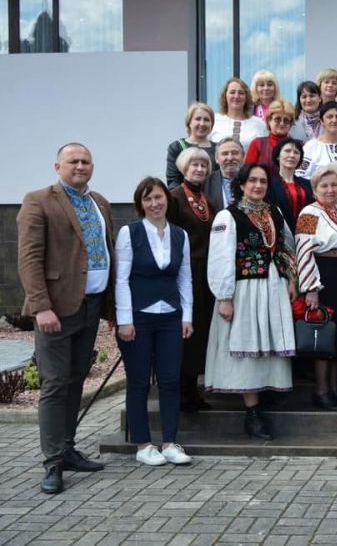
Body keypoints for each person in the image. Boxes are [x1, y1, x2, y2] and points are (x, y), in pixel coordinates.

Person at [17, 143, 112, 494]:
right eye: (73, 161)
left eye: (86, 161)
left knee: (75, 380)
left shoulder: (99, 202)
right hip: (57, 307)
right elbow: (29, 258)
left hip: (91, 305)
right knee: (55, 383)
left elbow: (107, 250)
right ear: (57, 165)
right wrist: (41, 306)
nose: (81, 166)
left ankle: (68, 449)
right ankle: (53, 462)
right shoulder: (38, 200)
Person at [205, 164, 296, 440]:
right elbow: (220, 257)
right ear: (241, 184)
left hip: (274, 287)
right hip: (244, 289)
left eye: (263, 181)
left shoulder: (274, 212)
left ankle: (266, 395)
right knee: (247, 343)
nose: (258, 185)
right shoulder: (228, 216)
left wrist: (291, 278)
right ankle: (252, 412)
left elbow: (287, 246)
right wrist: (224, 296)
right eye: (252, 181)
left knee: (267, 342)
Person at [115, 177, 193, 466]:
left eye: (158, 197)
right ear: (140, 204)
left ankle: (170, 442)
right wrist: (125, 319)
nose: (154, 203)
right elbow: (121, 279)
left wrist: (187, 316)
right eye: (148, 199)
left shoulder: (179, 235)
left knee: (171, 381)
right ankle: (143, 444)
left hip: (171, 317)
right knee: (138, 382)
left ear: (167, 200)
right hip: (138, 319)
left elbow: (185, 277)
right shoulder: (129, 232)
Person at [295, 168, 337, 411]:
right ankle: (321, 391)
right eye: (324, 186)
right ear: (314, 190)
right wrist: (311, 288)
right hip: (325, 277)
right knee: (325, 335)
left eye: (334, 185)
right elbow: (303, 250)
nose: (330, 189)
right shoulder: (309, 213)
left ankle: (334, 388)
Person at [168, 147, 217, 412]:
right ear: (184, 168)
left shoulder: (206, 201)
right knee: (184, 331)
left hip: (205, 272)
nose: (199, 169)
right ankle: (179, 391)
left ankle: (192, 389)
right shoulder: (174, 198)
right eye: (194, 165)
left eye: (203, 165)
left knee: (199, 332)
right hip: (185, 271)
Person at [265, 137, 314, 231]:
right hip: (280, 234)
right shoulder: (269, 184)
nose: (292, 155)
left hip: (306, 235)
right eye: (287, 151)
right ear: (278, 156)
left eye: (296, 152)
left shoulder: (308, 184)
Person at [166, 102, 217, 188]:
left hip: (214, 200)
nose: (202, 123)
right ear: (189, 122)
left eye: (207, 120)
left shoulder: (218, 149)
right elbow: (173, 182)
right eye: (198, 119)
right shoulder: (177, 147)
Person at [209, 77, 267, 148]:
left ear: (246, 97)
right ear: (225, 96)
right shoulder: (213, 120)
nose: (236, 96)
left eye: (241, 93)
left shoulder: (259, 124)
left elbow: (264, 153)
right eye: (232, 92)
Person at [245, 100, 296, 176]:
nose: (282, 123)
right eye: (277, 119)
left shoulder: (298, 146)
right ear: (269, 120)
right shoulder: (257, 144)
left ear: (291, 124)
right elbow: (247, 173)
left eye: (286, 120)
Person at [299, 101, 337, 180]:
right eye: (329, 117)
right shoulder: (312, 146)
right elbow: (301, 175)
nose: (334, 120)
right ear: (322, 121)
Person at [205, 138, 244, 211]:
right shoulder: (205, 183)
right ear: (216, 159)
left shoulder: (252, 180)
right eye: (225, 154)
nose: (230, 158)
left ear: (243, 157)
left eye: (235, 153)